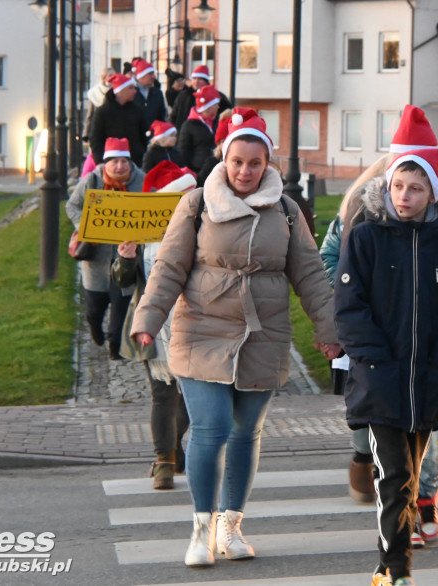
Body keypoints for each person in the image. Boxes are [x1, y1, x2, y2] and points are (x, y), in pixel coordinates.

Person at [130, 111, 340, 568]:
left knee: (247, 432)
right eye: (238, 161)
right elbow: (167, 267)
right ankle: (202, 528)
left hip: (262, 334)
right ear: (224, 159)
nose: (245, 171)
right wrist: (148, 318)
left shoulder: (285, 210)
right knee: (211, 427)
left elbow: (309, 274)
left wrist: (328, 330)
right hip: (201, 327)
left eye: (255, 162)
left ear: (268, 163)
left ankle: (232, 524)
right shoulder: (197, 203)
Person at [334, 135, 438, 586]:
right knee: (393, 477)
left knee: (412, 478)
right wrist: (376, 364)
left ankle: (387, 564)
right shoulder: (364, 239)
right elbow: (349, 309)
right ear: (387, 187)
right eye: (398, 186)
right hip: (381, 380)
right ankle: (396, 571)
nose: (405, 196)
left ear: (432, 192)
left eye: (415, 188)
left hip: (429, 380)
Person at [112, 160, 195, 489]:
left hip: (195, 322)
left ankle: (170, 452)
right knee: (163, 393)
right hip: (156, 323)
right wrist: (126, 258)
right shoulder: (142, 234)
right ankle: (165, 460)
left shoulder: (204, 230)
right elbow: (122, 281)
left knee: (190, 394)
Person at [66, 137, 146, 361]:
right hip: (96, 255)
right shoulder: (92, 180)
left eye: (124, 161)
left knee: (121, 301)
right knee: (94, 307)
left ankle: (115, 344)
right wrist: (87, 225)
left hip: (127, 256)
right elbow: (71, 205)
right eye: (114, 162)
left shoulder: (142, 182)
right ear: (106, 163)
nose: (119, 166)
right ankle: (95, 329)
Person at [88, 73, 148, 166]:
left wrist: (141, 155)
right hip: (110, 163)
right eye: (130, 88)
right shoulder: (102, 112)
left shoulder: (137, 110)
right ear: (120, 91)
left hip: (134, 163)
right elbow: (95, 139)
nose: (135, 91)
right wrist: (100, 162)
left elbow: (144, 136)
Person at [177, 85, 222, 174]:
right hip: (197, 172)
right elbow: (183, 152)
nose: (218, 107)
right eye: (216, 104)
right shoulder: (189, 125)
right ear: (208, 107)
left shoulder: (216, 122)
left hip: (215, 170)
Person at [170, 64, 231, 129]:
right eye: (194, 78)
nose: (196, 81)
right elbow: (174, 116)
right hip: (183, 132)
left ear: (206, 81)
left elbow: (226, 115)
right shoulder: (183, 96)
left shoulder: (218, 97)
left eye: (200, 79)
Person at [131, 59, 167, 129]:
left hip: (153, 134)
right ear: (141, 76)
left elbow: (162, 116)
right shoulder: (131, 92)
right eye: (150, 74)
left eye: (153, 74)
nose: (153, 77)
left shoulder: (157, 93)